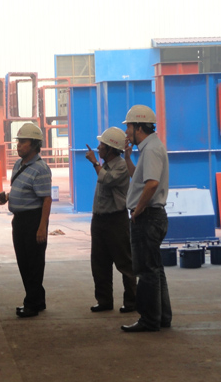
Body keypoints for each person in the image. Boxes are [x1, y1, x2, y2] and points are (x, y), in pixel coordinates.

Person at [121, 105, 172, 332]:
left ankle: (149, 320)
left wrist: (138, 210)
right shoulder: (150, 148)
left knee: (146, 271)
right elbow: (139, 179)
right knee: (155, 269)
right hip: (153, 216)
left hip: (147, 217)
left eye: (129, 127)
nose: (127, 132)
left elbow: (151, 184)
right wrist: (127, 158)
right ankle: (161, 317)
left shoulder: (150, 150)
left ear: (139, 127)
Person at [0, 123, 52, 318]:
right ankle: (38, 299)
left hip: (33, 220)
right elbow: (22, 189)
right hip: (19, 220)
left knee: (34, 264)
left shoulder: (41, 169)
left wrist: (42, 227)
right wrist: (7, 197)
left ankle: (31, 304)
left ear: (35, 144)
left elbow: (46, 199)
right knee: (24, 262)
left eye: (23, 142)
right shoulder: (19, 165)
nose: (18, 145)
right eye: (18, 141)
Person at [85, 127, 136, 314]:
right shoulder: (106, 165)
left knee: (124, 262)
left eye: (102, 145)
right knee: (99, 263)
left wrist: (94, 163)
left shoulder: (120, 166)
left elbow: (107, 180)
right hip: (99, 220)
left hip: (116, 220)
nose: (98, 148)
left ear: (111, 149)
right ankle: (104, 300)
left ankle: (131, 301)